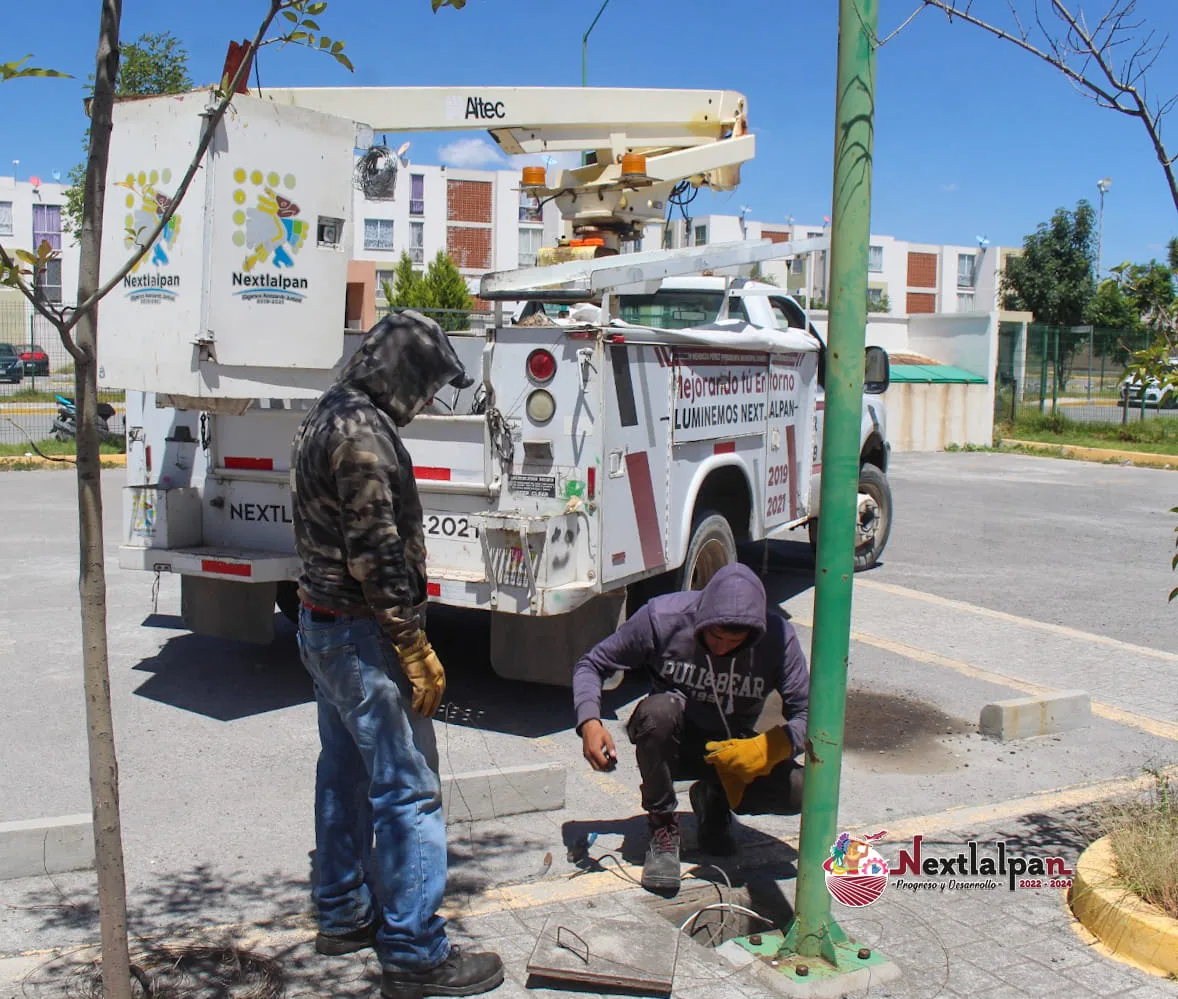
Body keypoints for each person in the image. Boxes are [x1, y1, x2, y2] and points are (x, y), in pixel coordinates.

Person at [292, 311, 503, 999]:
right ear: (403, 373)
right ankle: (415, 952)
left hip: (323, 626)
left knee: (345, 770)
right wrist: (411, 641)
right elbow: (376, 552)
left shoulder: (330, 412)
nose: (430, 400)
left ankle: (344, 910)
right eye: (429, 384)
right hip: (362, 633)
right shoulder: (363, 435)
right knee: (409, 787)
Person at [572, 563, 809, 891]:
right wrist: (589, 722)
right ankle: (663, 830)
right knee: (658, 712)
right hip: (673, 743)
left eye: (734, 641)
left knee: (802, 790)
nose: (722, 647)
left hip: (732, 752)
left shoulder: (779, 638)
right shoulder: (662, 617)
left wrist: (774, 747)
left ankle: (714, 799)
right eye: (714, 635)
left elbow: (809, 715)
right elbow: (592, 664)